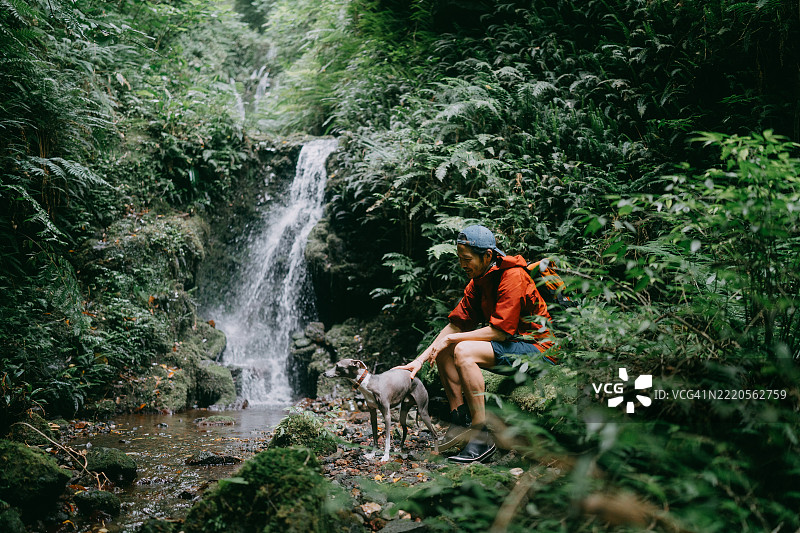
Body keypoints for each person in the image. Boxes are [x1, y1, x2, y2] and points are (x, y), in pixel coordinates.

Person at [397, 224, 555, 463]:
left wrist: (453, 340)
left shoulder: (512, 276)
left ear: (487, 256)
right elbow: (454, 326)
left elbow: (500, 332)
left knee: (463, 349)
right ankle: (461, 421)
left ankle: (481, 438)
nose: (462, 264)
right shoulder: (478, 282)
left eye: (467, 259)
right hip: (512, 348)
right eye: (460, 258)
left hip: (537, 349)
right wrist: (419, 361)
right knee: (445, 349)